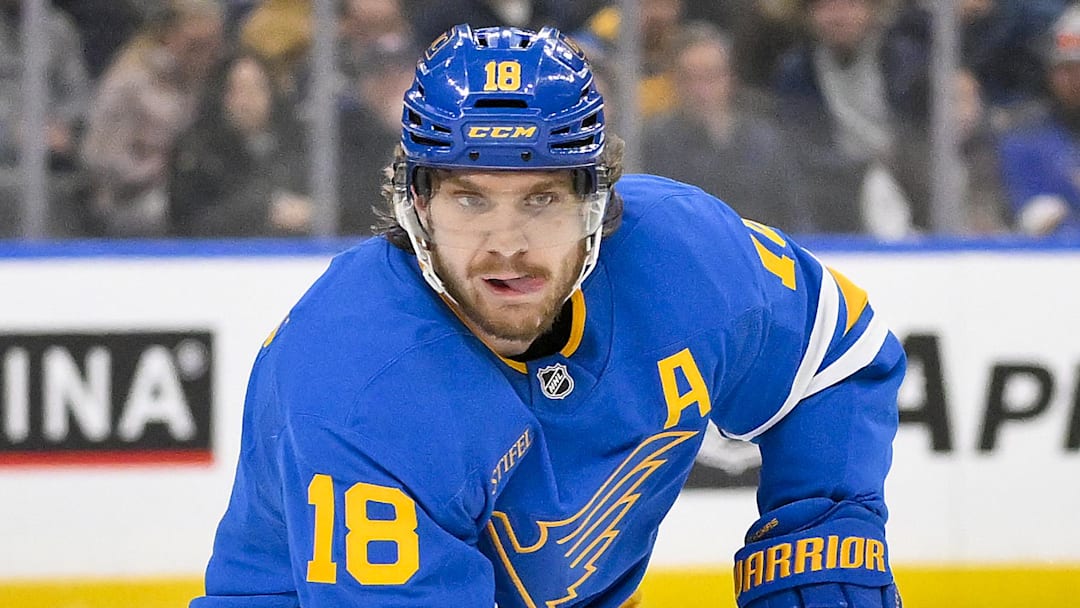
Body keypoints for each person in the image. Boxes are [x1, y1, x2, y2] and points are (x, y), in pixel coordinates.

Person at [193, 25, 904, 608]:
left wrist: (821, 528)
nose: (507, 246)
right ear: (418, 206)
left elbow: (833, 351)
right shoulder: (360, 382)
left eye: (541, 199)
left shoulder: (685, 254)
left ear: (597, 201)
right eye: (471, 199)